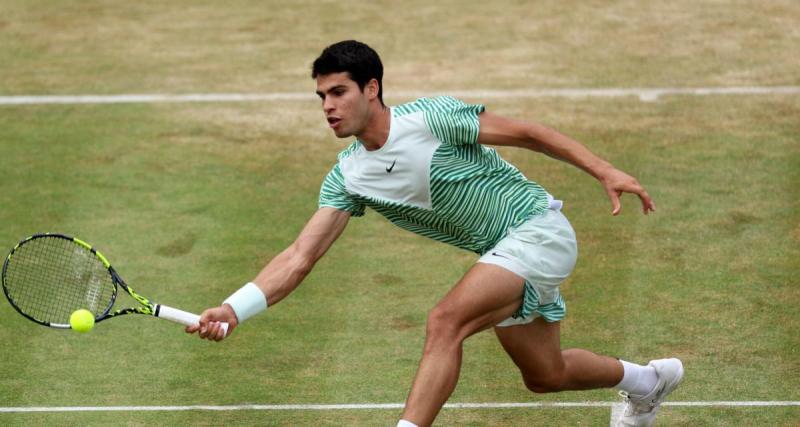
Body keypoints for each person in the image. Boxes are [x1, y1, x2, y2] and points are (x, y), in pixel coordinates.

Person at [186, 40, 683, 427]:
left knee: (445, 320)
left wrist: (605, 171)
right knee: (545, 375)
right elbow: (299, 256)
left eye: (338, 92)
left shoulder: (430, 119)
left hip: (536, 230)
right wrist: (234, 308)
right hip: (503, 251)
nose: (327, 106)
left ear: (372, 89)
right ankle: (648, 380)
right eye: (321, 96)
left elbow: (528, 133)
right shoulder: (347, 176)